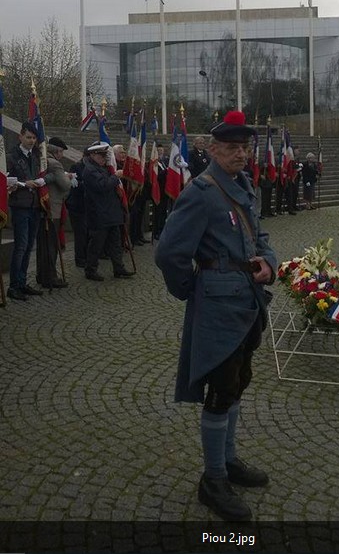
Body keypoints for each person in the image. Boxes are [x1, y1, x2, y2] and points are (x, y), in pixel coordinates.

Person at [155, 110, 277, 522]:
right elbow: (170, 253)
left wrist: (270, 265)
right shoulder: (202, 191)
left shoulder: (244, 185)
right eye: (232, 148)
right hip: (220, 309)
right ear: (213, 150)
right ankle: (213, 479)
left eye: (245, 148)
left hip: (249, 303)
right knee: (221, 391)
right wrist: (192, 290)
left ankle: (228, 460)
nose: (241, 155)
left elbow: (261, 237)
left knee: (237, 384)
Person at [82, 142, 135, 281]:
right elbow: (102, 186)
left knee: (115, 243)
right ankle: (90, 269)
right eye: (101, 155)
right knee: (96, 244)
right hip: (99, 213)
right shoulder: (90, 170)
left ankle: (119, 268)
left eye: (105, 155)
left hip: (110, 212)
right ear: (93, 155)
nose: (104, 158)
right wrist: (115, 176)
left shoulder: (102, 168)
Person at [6, 121, 43, 301]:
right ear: (20, 136)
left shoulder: (35, 157)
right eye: (28, 137)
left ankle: (22, 282)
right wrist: (23, 184)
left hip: (34, 205)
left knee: (29, 246)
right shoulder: (11, 156)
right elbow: (6, 179)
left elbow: (40, 175)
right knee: (20, 246)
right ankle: (13, 286)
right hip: (19, 204)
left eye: (34, 138)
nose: (31, 141)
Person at [35, 137, 72, 289]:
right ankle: (50, 276)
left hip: (43, 207)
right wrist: (67, 177)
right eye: (61, 152)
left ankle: (41, 274)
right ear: (56, 152)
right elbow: (65, 185)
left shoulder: (43, 161)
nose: (62, 155)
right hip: (52, 209)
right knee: (51, 246)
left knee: (42, 245)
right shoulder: (55, 164)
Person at [65, 149, 88, 268]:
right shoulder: (76, 166)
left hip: (87, 206)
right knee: (80, 234)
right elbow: (75, 184)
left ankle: (86, 256)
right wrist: (88, 184)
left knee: (86, 233)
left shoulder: (91, 167)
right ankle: (80, 259)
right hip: (77, 205)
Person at [152, 143, 168, 240]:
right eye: (158, 151)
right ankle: (156, 231)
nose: (160, 152)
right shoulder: (154, 163)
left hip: (165, 190)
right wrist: (166, 171)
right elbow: (155, 176)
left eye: (161, 150)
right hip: (158, 190)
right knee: (157, 212)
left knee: (163, 212)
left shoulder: (164, 161)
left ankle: (162, 229)